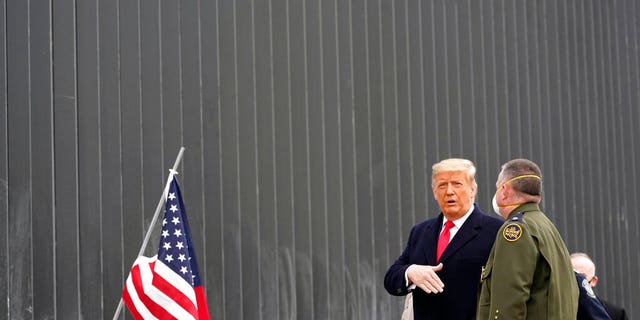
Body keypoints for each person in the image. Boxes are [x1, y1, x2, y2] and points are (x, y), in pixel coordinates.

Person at [384, 158, 503, 319]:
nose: (449, 191)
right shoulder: (420, 232)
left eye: (457, 184)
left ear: (472, 190)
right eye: (442, 185)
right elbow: (391, 279)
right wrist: (410, 272)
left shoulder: (495, 231)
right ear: (434, 192)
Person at [477, 158, 578, 319]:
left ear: (504, 190)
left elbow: (509, 303)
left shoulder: (517, 230)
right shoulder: (545, 226)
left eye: (497, 187)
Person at [572, 253, 629, 320]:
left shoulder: (615, 314)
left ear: (593, 281)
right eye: (572, 276)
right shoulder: (560, 309)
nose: (577, 281)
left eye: (582, 277)